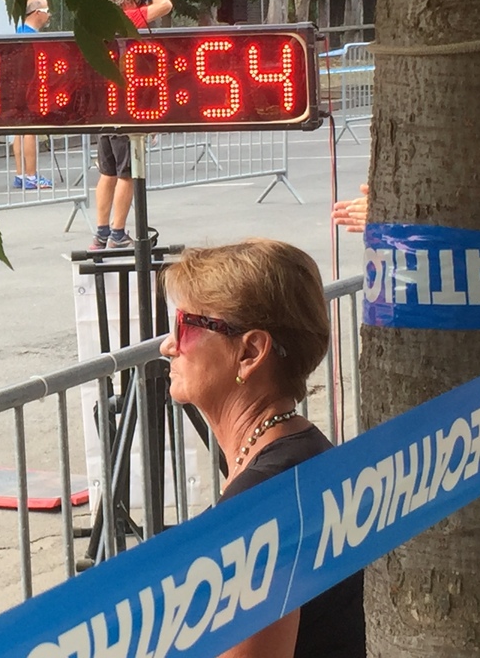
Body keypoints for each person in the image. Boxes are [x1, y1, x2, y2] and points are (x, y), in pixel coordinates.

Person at [160, 239, 365, 658]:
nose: (168, 345)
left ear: (250, 352)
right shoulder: (308, 451)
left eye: (184, 326)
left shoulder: (258, 504)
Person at [90, 0, 173, 249]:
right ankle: (117, 233)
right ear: (128, 0)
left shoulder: (100, 24)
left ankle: (101, 233)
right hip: (126, 106)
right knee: (126, 173)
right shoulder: (129, 18)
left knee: (107, 172)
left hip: (104, 106)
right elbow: (165, 5)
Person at [13, 0, 53, 190]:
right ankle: (31, 176)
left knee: (18, 131)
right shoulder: (31, 38)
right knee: (29, 131)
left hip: (18, 89)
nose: (49, 15)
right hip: (30, 90)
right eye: (46, 11)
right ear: (37, 13)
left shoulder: (18, 33)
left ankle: (20, 174)